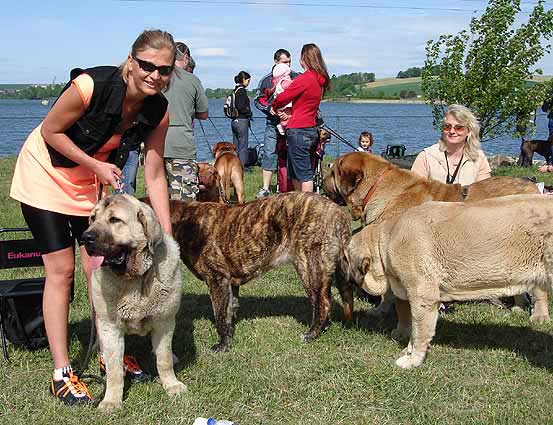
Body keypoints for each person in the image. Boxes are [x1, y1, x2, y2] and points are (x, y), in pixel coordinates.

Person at [9, 29, 176, 405]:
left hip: (90, 187)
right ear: (131, 62)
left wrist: (165, 234)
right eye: (147, 65)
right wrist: (95, 165)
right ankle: (62, 371)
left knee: (96, 269)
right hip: (45, 178)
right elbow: (51, 130)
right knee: (61, 271)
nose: (154, 75)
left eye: (164, 70)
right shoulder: (90, 84)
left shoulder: (159, 110)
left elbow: (154, 173)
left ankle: (108, 353)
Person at [272, 43, 330, 193]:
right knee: (297, 172)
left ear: (304, 58)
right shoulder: (320, 80)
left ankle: (307, 208)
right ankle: (300, 203)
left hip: (298, 130)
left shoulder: (306, 78)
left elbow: (284, 96)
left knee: (303, 175)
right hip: (311, 128)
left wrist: (274, 106)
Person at [163, 41, 209, 201]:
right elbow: (203, 113)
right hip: (181, 146)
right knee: (185, 206)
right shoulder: (192, 80)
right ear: (186, 57)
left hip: (155, 145)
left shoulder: (157, 77)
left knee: (157, 201)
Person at [254, 48, 298, 198]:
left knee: (294, 154)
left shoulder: (296, 77)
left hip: (293, 124)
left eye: (290, 61)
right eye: (285, 62)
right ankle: (266, 188)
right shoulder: (266, 80)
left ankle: (293, 186)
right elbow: (258, 100)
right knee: (268, 153)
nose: (288, 65)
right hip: (272, 123)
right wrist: (268, 109)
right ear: (276, 62)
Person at [411, 104, 491, 185]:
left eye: (459, 127)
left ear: (469, 131)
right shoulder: (426, 156)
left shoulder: (479, 158)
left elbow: (483, 193)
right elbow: (414, 191)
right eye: (447, 126)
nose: (452, 131)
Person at [230, 71, 253, 166]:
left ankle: (234, 166)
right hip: (242, 121)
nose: (249, 83)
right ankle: (242, 167)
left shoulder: (234, 90)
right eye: (248, 80)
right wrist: (249, 113)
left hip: (234, 121)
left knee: (235, 146)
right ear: (243, 80)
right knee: (243, 146)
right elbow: (241, 107)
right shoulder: (242, 91)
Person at [272, 63, 293, 135]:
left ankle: (281, 126)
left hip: (279, 105)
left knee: (282, 116)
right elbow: (291, 87)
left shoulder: (276, 82)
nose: (289, 63)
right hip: (286, 104)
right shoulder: (285, 81)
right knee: (287, 116)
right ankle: (283, 126)